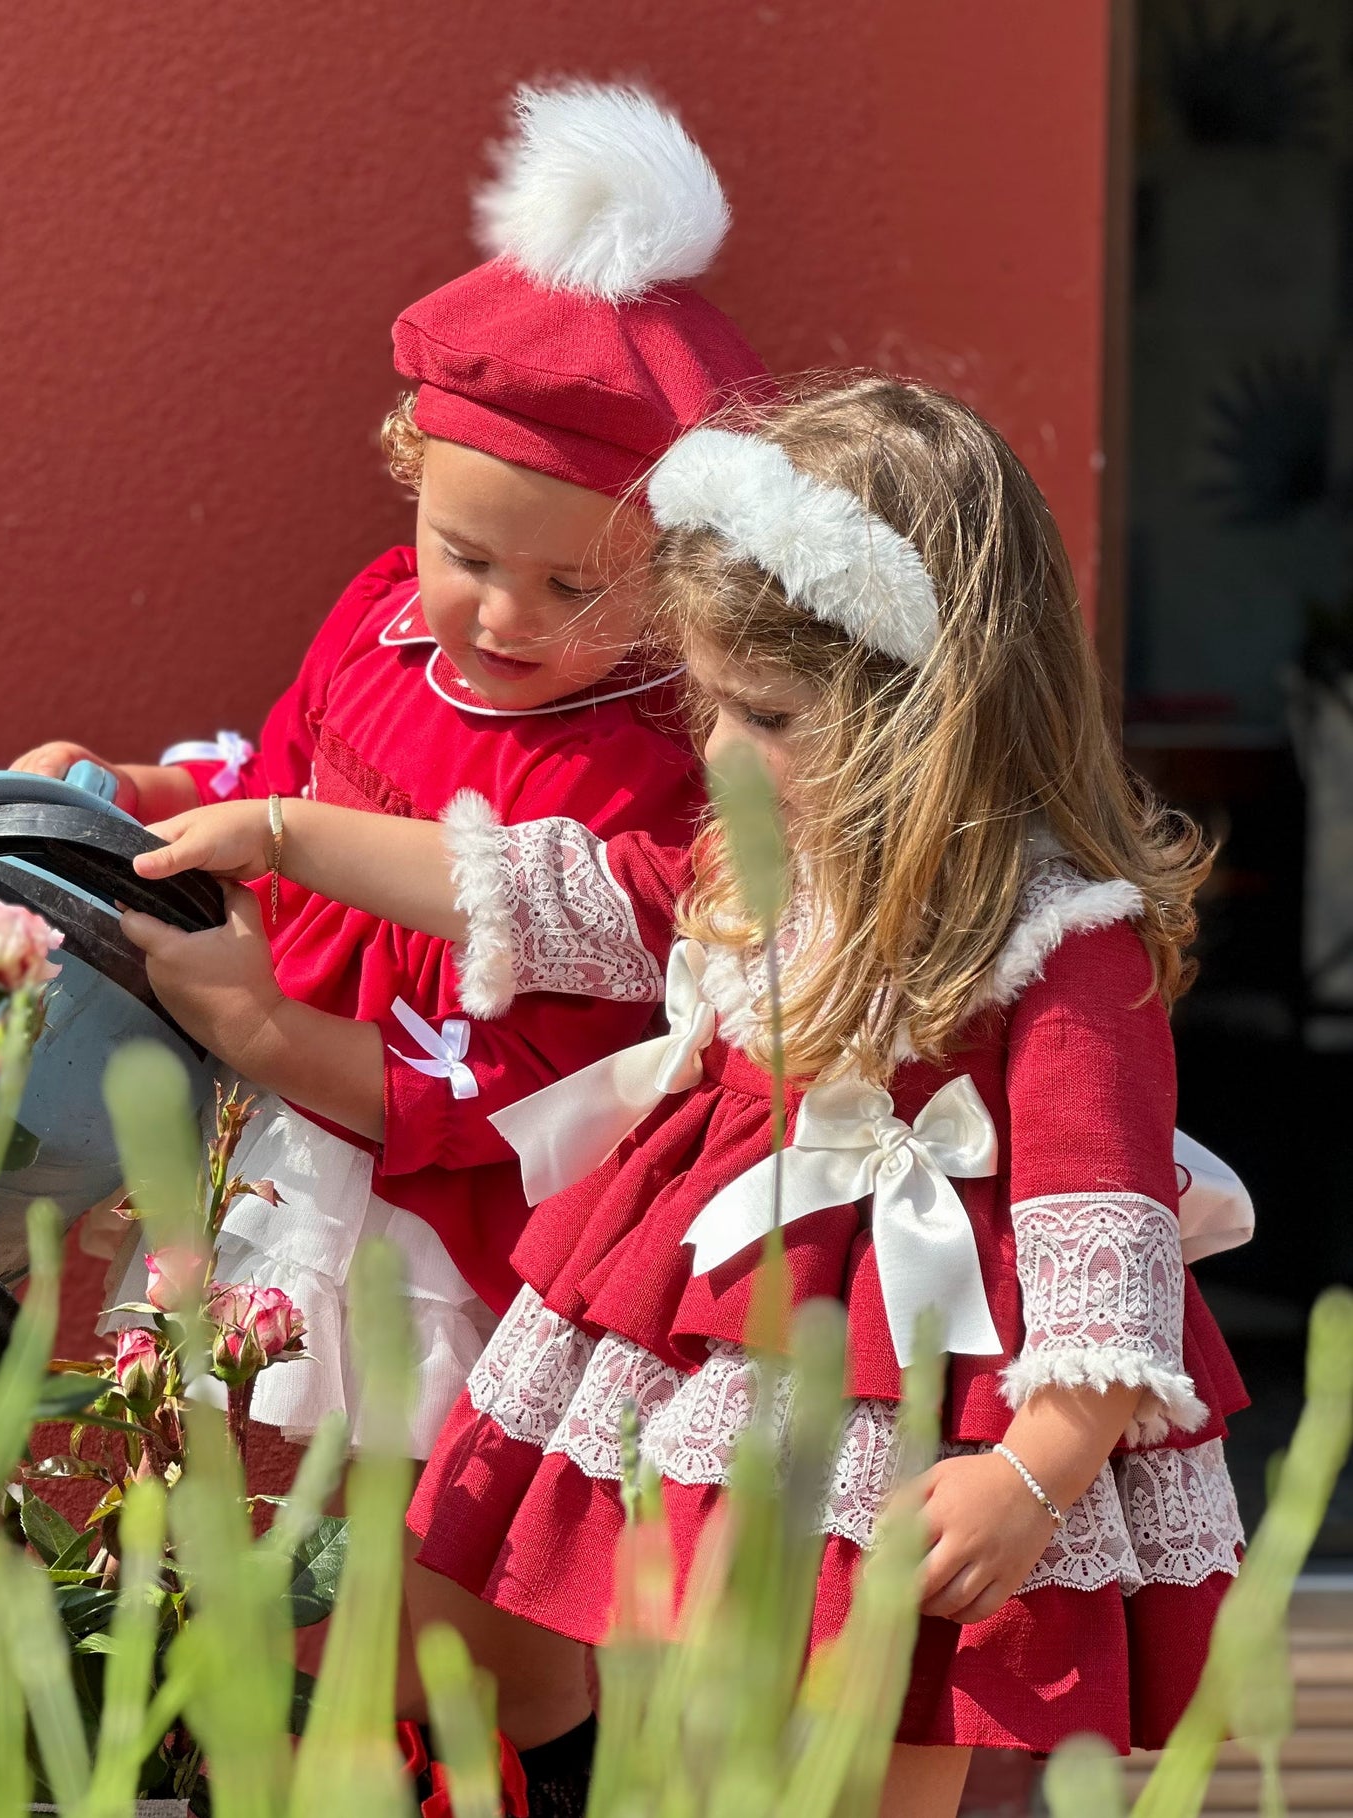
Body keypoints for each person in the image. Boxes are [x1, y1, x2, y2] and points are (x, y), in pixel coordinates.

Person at [132, 373, 1251, 1817]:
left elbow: (1107, 1249)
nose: (717, 756)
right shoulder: (756, 870)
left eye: (765, 718)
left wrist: (1035, 1471)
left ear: (933, 713)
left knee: (884, 1730)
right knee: (687, 1708)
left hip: (929, 1406)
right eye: (711, 708)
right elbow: (540, 884)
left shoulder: (1057, 940)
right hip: (721, 1362)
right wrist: (288, 831)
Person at [10, 80, 767, 1810]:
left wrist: (273, 1037)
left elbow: (528, 1088)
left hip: (467, 1207)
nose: (503, 615)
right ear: (409, 476)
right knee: (245, 1497)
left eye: (582, 590)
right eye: (464, 554)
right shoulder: (375, 622)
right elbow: (276, 771)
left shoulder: (648, 764)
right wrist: (145, 787)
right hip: (290, 1156)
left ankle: (554, 1779)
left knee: (460, 1577)